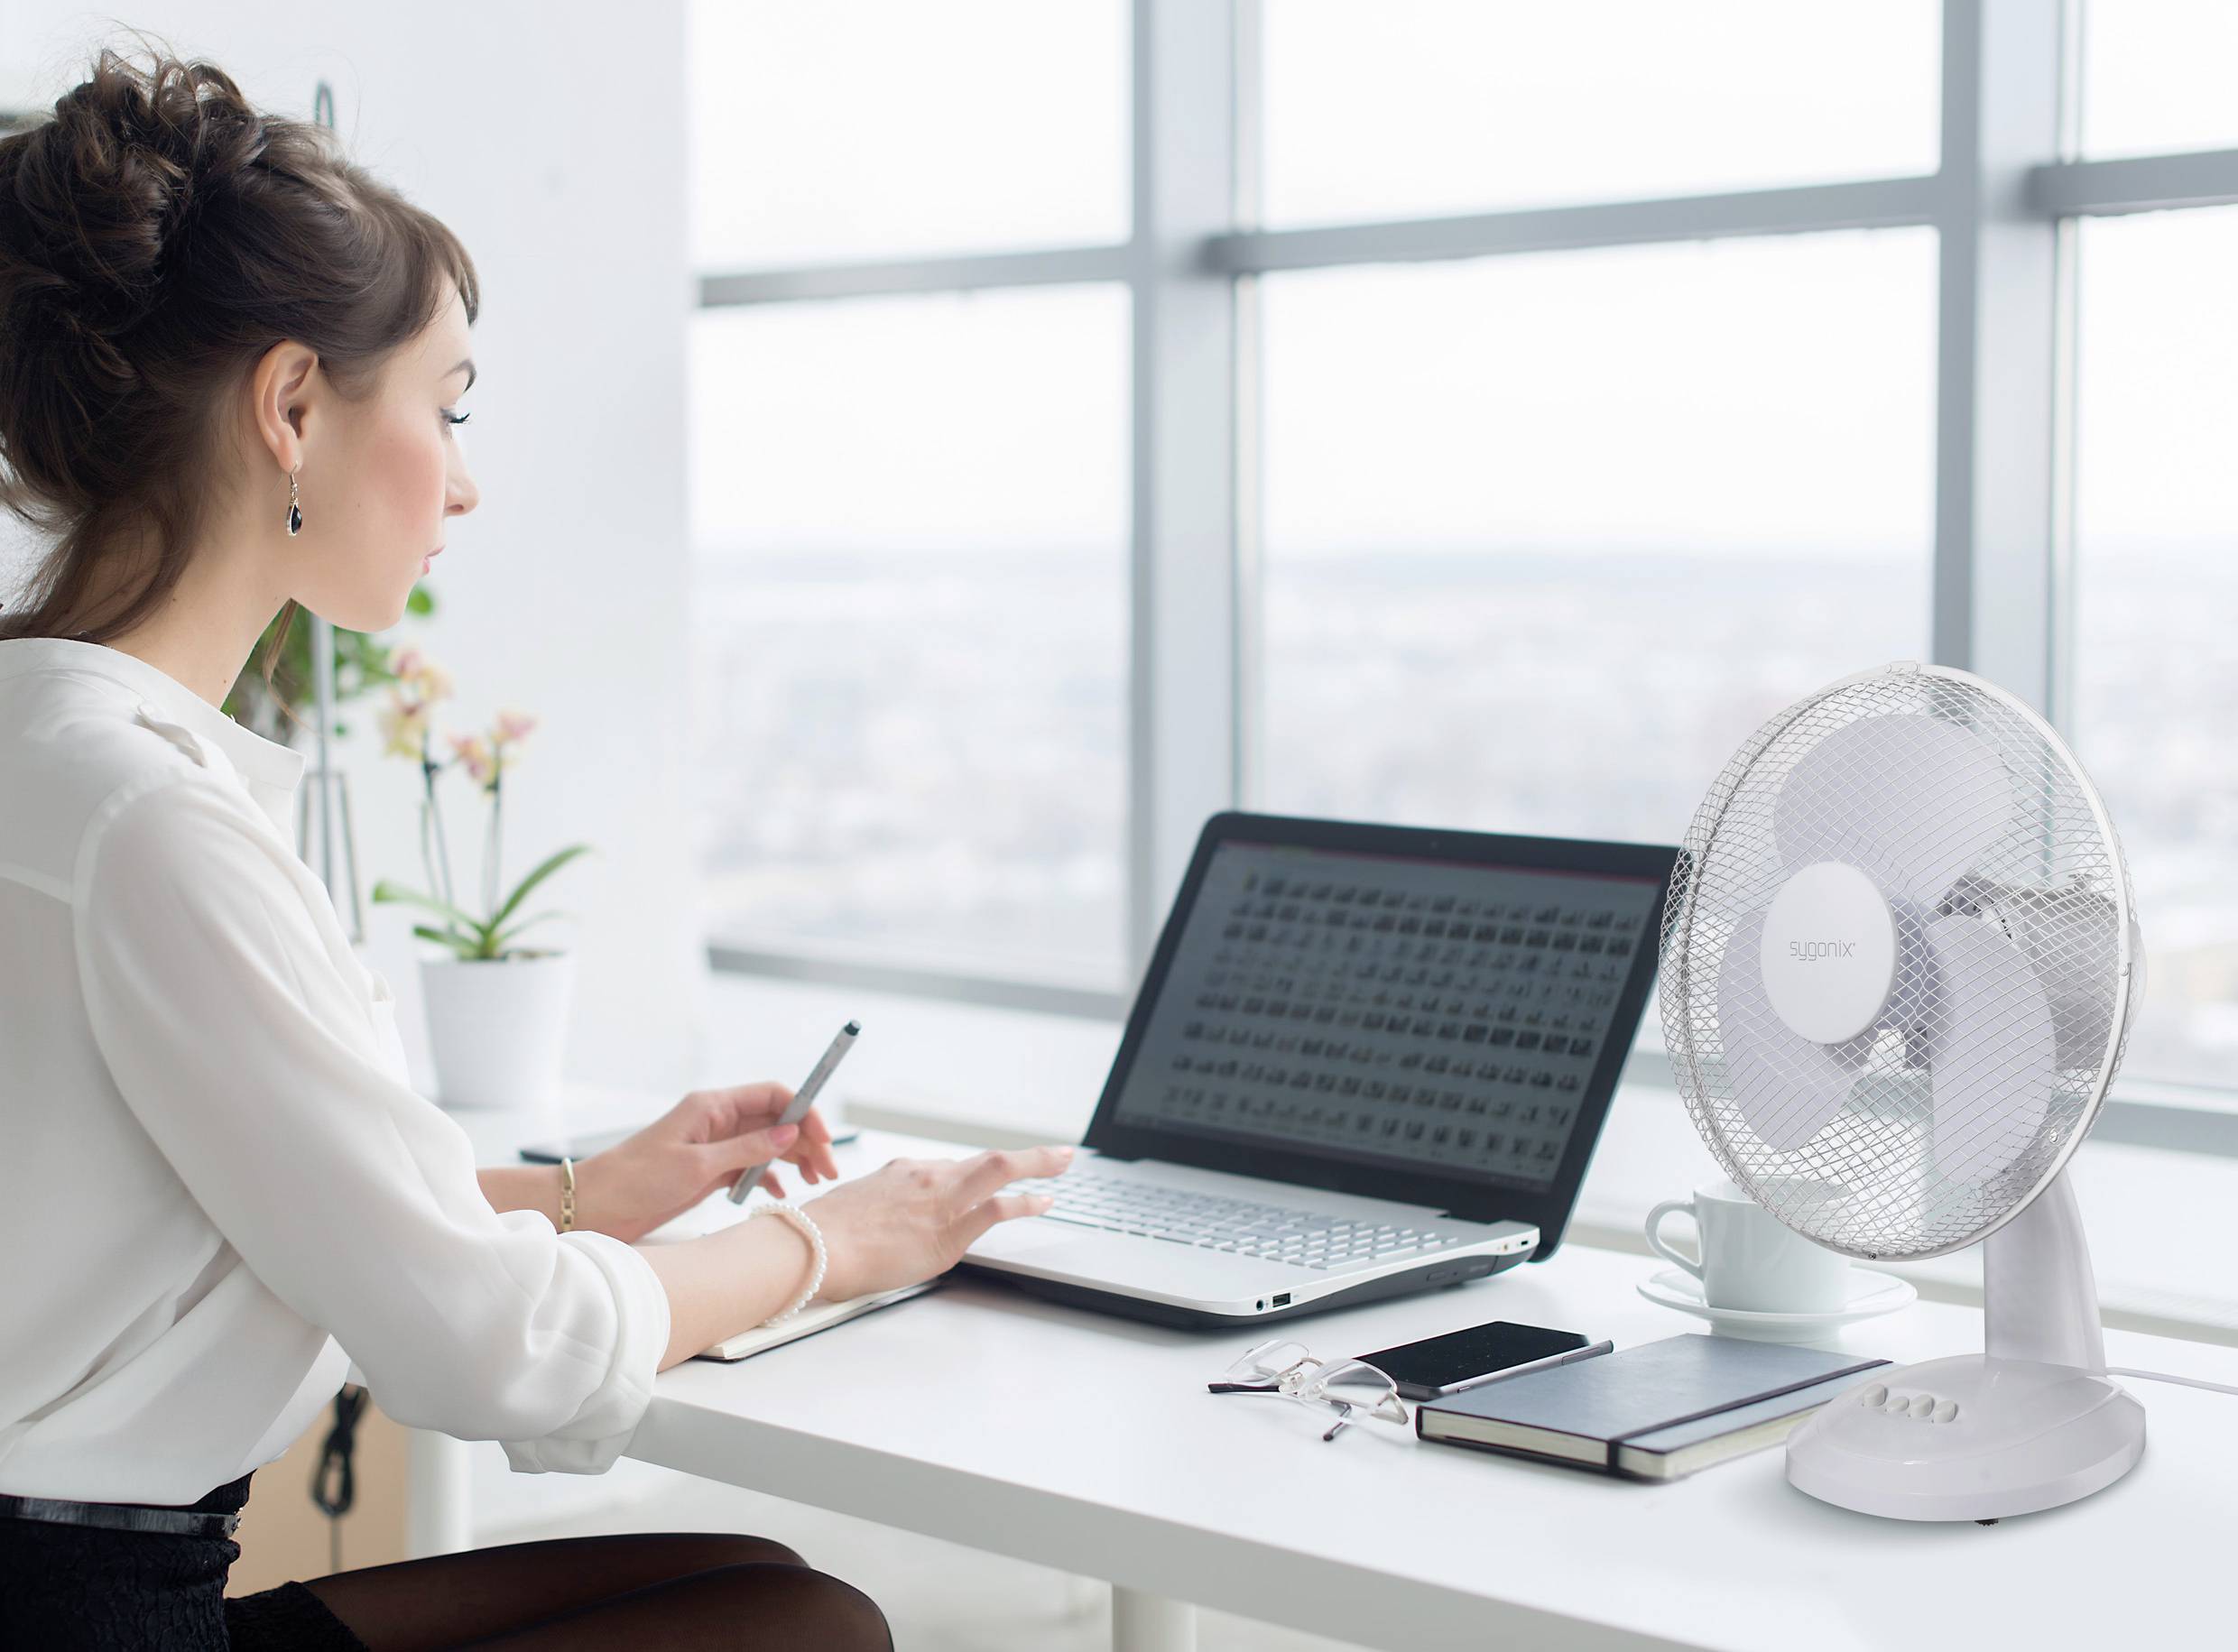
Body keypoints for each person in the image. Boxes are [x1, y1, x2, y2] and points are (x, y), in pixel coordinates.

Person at [0, 44, 1075, 1650]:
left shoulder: (52, 750)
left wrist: (586, 1190)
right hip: (81, 1618)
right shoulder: (150, 821)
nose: (467, 484)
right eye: (445, 409)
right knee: (804, 1634)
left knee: (766, 1590)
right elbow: (488, 1348)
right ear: (290, 407)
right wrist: (836, 1242)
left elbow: (211, 1187)